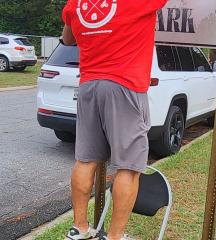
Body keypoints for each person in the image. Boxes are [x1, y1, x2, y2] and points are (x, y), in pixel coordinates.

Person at [61, 0, 168, 239]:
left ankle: (79, 228)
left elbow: (67, 39)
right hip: (125, 86)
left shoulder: (75, 4)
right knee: (129, 167)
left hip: (89, 85)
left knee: (85, 159)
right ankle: (116, 236)